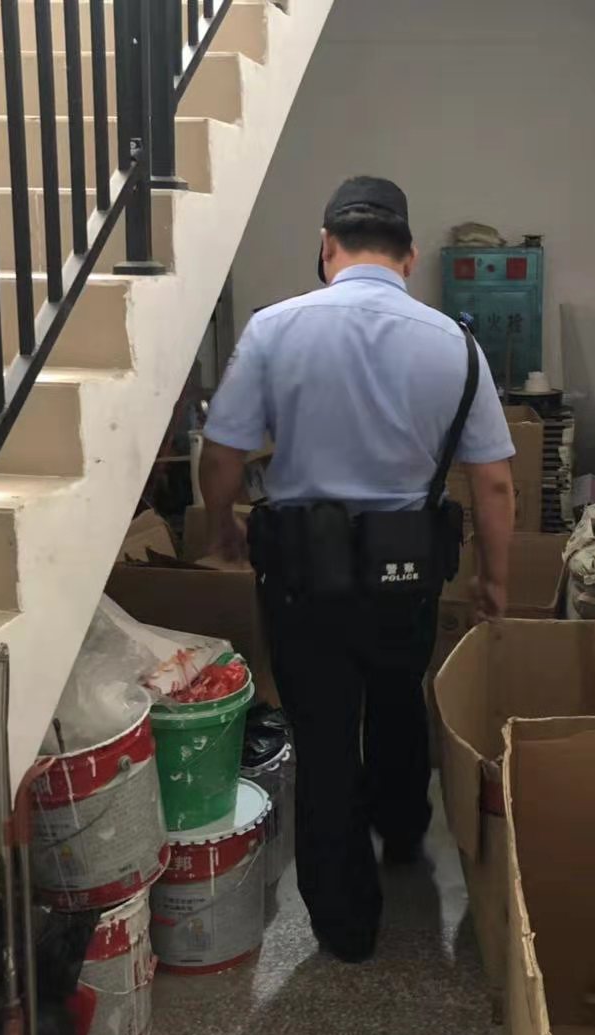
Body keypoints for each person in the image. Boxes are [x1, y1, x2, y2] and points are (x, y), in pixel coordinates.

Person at [198, 177, 516, 962]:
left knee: (326, 734)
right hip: (407, 573)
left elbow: (222, 455)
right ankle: (403, 831)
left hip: (304, 579)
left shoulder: (272, 330)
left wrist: (220, 526)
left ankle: (345, 926)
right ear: (409, 256)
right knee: (400, 696)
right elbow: (495, 483)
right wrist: (494, 579)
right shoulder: (455, 344)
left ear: (326, 246)